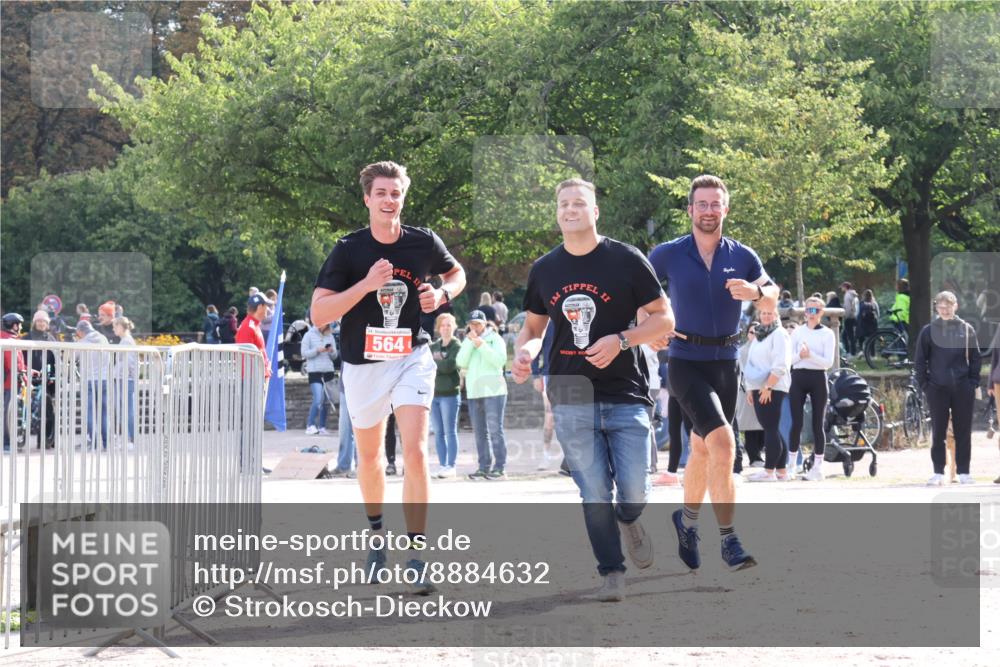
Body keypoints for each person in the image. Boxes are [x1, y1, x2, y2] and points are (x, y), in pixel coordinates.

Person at [513, 178, 673, 602]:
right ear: (557, 211)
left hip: (625, 389)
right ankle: (612, 572)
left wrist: (621, 339)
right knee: (593, 490)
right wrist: (525, 352)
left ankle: (630, 518)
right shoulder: (545, 269)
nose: (570, 210)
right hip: (569, 391)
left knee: (635, 491)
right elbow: (533, 326)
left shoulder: (626, 259)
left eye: (579, 203)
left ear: (595, 211)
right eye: (563, 203)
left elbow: (664, 319)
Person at [311, 160, 466, 594]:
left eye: (395, 193)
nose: (389, 200)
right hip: (362, 365)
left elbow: (457, 274)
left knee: (416, 452)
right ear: (367, 198)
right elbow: (319, 313)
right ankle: (377, 537)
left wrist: (443, 293)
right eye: (381, 193)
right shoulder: (348, 250)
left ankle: (417, 554)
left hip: (411, 355)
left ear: (403, 196)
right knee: (371, 458)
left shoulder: (423, 242)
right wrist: (363, 285)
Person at [648, 174, 777, 573]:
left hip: (727, 361)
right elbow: (639, 293)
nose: (708, 211)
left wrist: (756, 294)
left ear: (726, 208)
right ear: (690, 210)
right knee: (723, 445)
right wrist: (646, 324)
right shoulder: (667, 254)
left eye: (714, 204)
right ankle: (729, 540)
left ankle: (686, 523)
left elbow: (773, 293)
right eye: (701, 204)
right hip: (685, 360)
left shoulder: (743, 256)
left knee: (703, 448)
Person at [915, 291, 981, 486]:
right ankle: (937, 472)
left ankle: (964, 472)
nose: (944, 310)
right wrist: (925, 385)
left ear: (955, 306)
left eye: (948, 306)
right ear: (936, 308)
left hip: (962, 388)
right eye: (940, 307)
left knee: (963, 431)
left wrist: (973, 383)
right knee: (938, 431)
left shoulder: (966, 329)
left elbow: (976, 358)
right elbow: (920, 361)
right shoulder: (928, 331)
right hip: (937, 388)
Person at [788, 296, 837, 480]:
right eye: (808, 310)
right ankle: (792, 465)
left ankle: (818, 468)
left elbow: (827, 362)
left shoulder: (827, 334)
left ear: (821, 313)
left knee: (818, 424)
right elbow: (789, 360)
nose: (811, 314)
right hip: (798, 377)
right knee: (796, 423)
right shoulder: (798, 332)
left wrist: (811, 355)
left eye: (815, 310)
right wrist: (801, 356)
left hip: (818, 377)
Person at [458, 310, 509, 480]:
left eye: (478, 324)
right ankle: (483, 467)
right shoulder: (468, 340)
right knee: (479, 432)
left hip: (494, 391)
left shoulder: (496, 339)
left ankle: (500, 468)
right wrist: (470, 343)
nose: (475, 327)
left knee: (495, 430)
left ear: (485, 323)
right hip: (474, 392)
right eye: (472, 324)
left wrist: (481, 345)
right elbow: (460, 361)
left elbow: (499, 361)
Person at [742, 308, 792, 482]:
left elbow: (781, 363)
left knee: (770, 428)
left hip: (772, 386)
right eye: (763, 313)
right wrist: (750, 388)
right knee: (772, 428)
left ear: (776, 315)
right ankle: (781, 470)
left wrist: (768, 386)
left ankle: (768, 471)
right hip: (758, 386)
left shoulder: (779, 334)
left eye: (770, 313)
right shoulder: (759, 334)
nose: (766, 315)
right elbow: (751, 362)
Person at [430, 313, 461, 478]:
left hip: (450, 395)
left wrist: (438, 362)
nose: (446, 328)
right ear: (438, 328)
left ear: (454, 327)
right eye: (443, 325)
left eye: (449, 325)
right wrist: (440, 360)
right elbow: (428, 365)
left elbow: (450, 366)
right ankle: (443, 465)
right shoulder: (433, 346)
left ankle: (452, 465)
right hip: (434, 395)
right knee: (438, 432)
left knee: (450, 431)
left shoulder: (457, 346)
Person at [75, 320, 111, 449]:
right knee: (104, 412)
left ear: (80, 331)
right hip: (104, 379)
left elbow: (72, 358)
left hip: (88, 380)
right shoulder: (103, 338)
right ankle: (107, 443)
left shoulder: (82, 343)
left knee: (89, 412)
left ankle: (94, 442)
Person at [301, 321, 338, 436]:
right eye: (326, 324)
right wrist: (317, 350)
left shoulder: (330, 336)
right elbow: (304, 353)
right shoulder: (309, 335)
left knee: (326, 402)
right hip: (314, 371)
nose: (327, 326)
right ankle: (310, 425)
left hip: (328, 371)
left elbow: (335, 356)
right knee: (318, 399)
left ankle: (322, 427)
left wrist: (331, 351)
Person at [1, 313, 27, 452]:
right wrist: (23, 375)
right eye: (20, 324)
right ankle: (6, 443)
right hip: (10, 383)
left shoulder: (5, 338)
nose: (21, 327)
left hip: (6, 381)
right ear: (14, 325)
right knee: (8, 413)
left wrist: (28, 370)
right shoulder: (10, 341)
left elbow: (18, 364)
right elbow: (13, 364)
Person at [236, 293, 274, 382]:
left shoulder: (253, 325)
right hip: (251, 381)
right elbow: (245, 358)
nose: (268, 309)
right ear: (260, 307)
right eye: (266, 306)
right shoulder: (248, 327)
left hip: (255, 379)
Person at [112, 317, 138, 446]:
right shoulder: (126, 340)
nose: (114, 329)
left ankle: (131, 439)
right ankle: (129, 438)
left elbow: (130, 362)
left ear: (121, 326)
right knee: (125, 410)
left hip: (125, 379)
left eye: (115, 326)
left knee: (127, 410)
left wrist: (120, 373)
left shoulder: (126, 341)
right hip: (125, 378)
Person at [841, 282, 859, 356]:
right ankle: (850, 352)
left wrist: (845, 316)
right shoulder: (854, 295)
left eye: (842, 287)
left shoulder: (847, 295)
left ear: (845, 287)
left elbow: (848, 308)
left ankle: (851, 352)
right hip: (854, 317)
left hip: (849, 318)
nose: (841, 288)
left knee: (848, 336)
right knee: (846, 335)